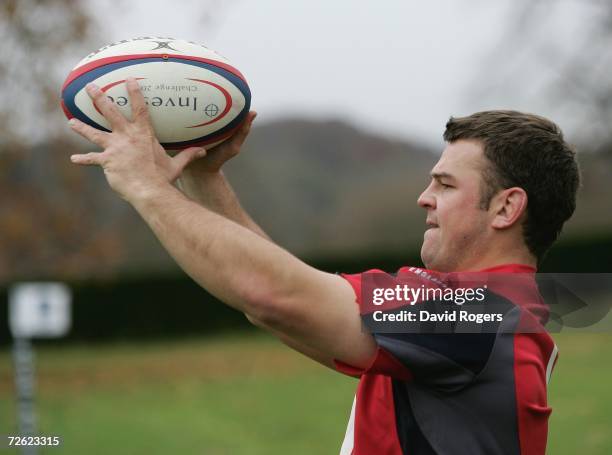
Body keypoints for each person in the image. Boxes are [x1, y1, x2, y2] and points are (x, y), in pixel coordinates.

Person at [68, 78, 580, 454]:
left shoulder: (476, 314)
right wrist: (205, 176)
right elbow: (284, 300)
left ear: (507, 208)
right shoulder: (484, 311)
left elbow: (273, 295)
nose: (424, 198)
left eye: (445, 185)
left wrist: (146, 187)